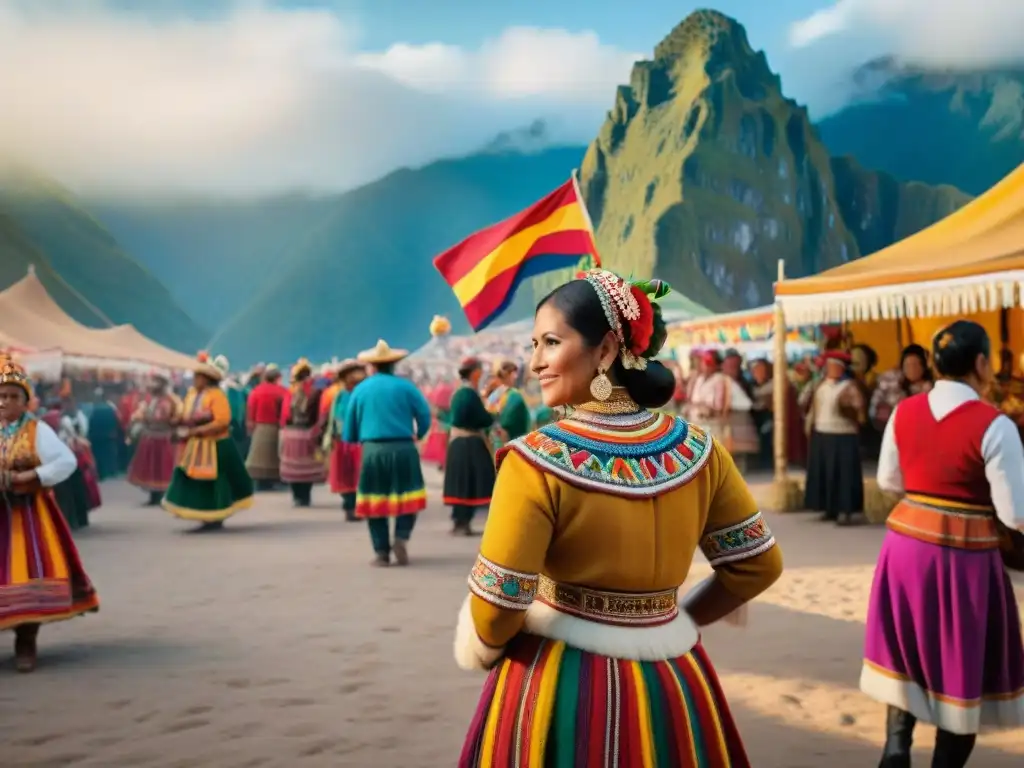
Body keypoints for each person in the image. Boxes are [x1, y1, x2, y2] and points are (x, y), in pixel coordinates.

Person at [455, 270, 783, 766]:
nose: (536, 361)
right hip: (674, 681)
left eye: (550, 342)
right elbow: (758, 566)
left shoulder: (534, 461)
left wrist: (481, 646)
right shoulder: (699, 450)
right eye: (533, 344)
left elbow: (498, 607)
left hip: (562, 687)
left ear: (607, 351)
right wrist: (677, 622)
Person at [864, 320, 1024, 767]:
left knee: (905, 652)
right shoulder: (995, 425)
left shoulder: (905, 411)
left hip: (904, 548)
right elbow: (1015, 514)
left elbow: (886, 481)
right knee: (960, 661)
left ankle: (896, 748)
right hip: (965, 557)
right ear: (980, 363)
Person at [0, 354, 99, 672]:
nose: (6, 402)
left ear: (26, 401)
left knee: (28, 574)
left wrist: (30, 477)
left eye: (14, 397)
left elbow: (66, 461)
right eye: (1, 396)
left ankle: (25, 641)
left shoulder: (36, 431)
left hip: (26, 515)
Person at [343, 339, 431, 566]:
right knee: (408, 497)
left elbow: (350, 425)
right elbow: (424, 416)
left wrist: (355, 439)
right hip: (403, 448)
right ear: (393, 365)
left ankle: (381, 552)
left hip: (373, 450)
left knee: (375, 501)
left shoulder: (361, 389)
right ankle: (401, 536)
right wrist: (418, 434)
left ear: (372, 366)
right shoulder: (407, 387)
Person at [162, 354, 254, 530]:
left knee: (216, 480)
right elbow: (185, 414)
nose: (195, 380)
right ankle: (203, 514)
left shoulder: (216, 395)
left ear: (207, 378)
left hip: (216, 445)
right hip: (195, 445)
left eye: (198, 377)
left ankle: (215, 516)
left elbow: (222, 421)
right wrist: (176, 421)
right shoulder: (191, 395)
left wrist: (195, 431)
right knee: (195, 480)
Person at [803, 351, 865, 525]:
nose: (834, 370)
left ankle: (845, 510)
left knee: (843, 475)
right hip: (822, 431)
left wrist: (850, 406)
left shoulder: (849, 386)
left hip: (844, 434)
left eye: (837, 367)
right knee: (825, 473)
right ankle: (828, 508)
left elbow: (860, 410)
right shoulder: (820, 386)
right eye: (831, 367)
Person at [443, 357, 496, 537]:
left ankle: (460, 520)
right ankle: (462, 521)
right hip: (468, 443)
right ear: (475, 372)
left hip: (459, 443)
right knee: (469, 482)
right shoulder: (468, 394)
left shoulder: (461, 392)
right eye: (480, 370)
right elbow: (481, 418)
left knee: (461, 482)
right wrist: (490, 417)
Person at [127, 373, 183, 505]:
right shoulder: (152, 400)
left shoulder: (171, 400)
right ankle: (154, 495)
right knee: (151, 468)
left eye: (156, 382)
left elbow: (173, 417)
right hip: (151, 437)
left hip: (163, 438)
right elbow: (148, 415)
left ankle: (164, 495)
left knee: (163, 468)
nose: (152, 386)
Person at [279, 359, 325, 507]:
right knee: (307, 466)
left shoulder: (290, 392)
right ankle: (305, 496)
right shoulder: (316, 391)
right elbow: (319, 413)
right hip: (308, 432)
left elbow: (285, 415)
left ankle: (297, 496)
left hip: (291, 433)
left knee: (293, 466)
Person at [325, 359, 366, 521]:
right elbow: (334, 419)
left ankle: (355, 506)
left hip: (357, 440)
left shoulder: (359, 394)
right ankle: (350, 506)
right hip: (344, 441)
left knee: (357, 476)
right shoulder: (341, 396)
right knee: (347, 476)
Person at [869, 343, 934, 433]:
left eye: (915, 365)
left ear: (924, 366)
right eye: (907, 365)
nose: (911, 369)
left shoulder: (932, 388)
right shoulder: (891, 383)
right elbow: (875, 410)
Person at [245, 364, 288, 490]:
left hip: (260, 428)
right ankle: (276, 479)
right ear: (278, 378)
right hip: (276, 427)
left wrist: (250, 425)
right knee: (276, 456)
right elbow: (286, 411)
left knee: (259, 457)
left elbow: (250, 409)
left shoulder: (256, 391)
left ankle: (260, 482)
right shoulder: (283, 391)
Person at [487, 359, 531, 445]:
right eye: (515, 373)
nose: (516, 376)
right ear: (510, 374)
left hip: (495, 441)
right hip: (513, 441)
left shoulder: (493, 396)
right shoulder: (514, 395)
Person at [87, 387, 121, 481]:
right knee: (110, 454)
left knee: (98, 454)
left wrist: (90, 435)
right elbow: (116, 421)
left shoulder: (93, 409)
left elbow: (90, 423)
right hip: (109, 435)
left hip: (96, 436)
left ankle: (101, 473)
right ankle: (112, 471)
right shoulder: (110, 408)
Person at [421, 379, 454, 470]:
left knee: (443, 446)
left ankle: (443, 462)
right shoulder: (450, 402)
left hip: (442, 428)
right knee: (447, 446)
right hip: (449, 428)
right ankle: (445, 462)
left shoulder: (439, 408)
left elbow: (435, 415)